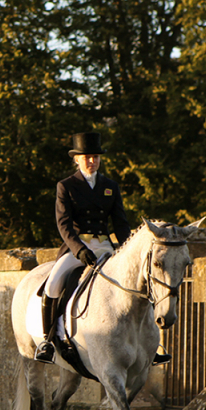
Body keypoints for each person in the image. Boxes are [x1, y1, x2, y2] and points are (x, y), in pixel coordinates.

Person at [35, 132, 133, 364]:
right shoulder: (66, 186)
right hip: (77, 248)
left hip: (105, 247)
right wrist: (79, 250)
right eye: (87, 157)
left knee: (135, 280)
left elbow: (120, 223)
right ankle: (48, 340)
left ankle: (148, 341)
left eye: (96, 157)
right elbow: (64, 224)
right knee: (53, 284)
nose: (92, 161)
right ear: (77, 159)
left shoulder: (110, 186)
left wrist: (127, 249)